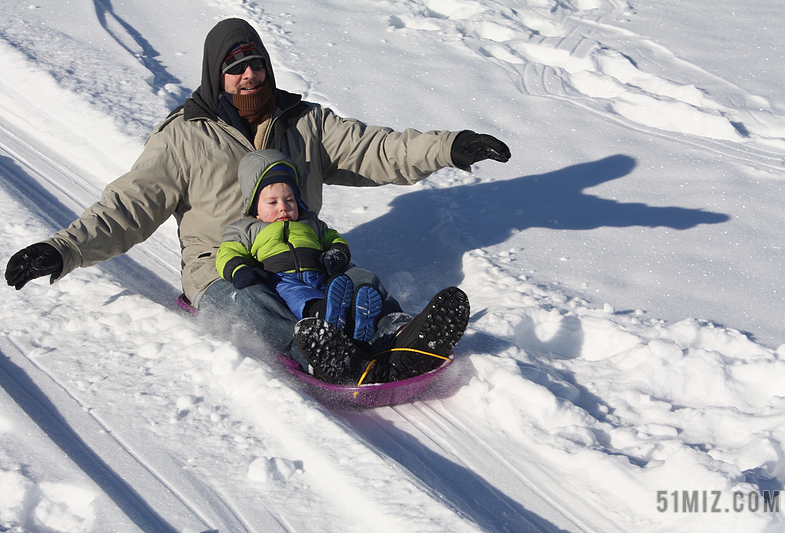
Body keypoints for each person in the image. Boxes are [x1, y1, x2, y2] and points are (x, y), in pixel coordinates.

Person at [4, 17, 509, 373]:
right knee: (250, 304)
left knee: (355, 279)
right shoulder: (184, 136)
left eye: (257, 64)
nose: (249, 75)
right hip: (226, 266)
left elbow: (375, 148)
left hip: (301, 253)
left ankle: (397, 332)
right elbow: (129, 205)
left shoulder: (304, 122)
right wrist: (62, 249)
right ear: (216, 76)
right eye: (236, 67)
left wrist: (448, 147)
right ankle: (318, 349)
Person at [217, 148, 384, 343]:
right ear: (255, 208)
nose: (283, 207)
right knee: (301, 298)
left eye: (289, 200)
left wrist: (337, 253)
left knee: (339, 293)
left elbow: (334, 239)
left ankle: (357, 322)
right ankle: (323, 320)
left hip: (319, 276)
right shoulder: (245, 229)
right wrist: (240, 269)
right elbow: (227, 252)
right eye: (272, 202)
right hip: (281, 281)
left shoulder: (311, 223)